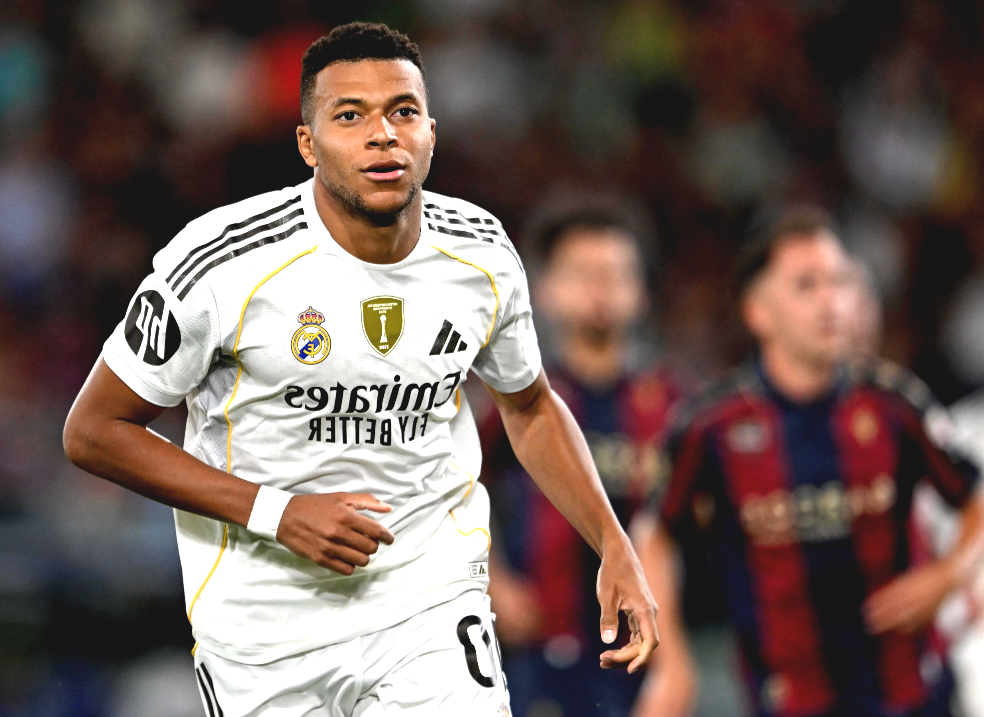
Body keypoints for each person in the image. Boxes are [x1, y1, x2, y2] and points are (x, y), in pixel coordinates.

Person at [61, 22, 658, 717]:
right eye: (350, 116)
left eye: (402, 112)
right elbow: (94, 430)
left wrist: (613, 542)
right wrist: (278, 512)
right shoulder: (223, 263)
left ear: (430, 133)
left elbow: (530, 406)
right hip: (262, 627)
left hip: (428, 602)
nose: (383, 135)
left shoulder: (482, 254)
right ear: (308, 144)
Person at [641, 207, 984, 717]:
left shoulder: (896, 404)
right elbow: (655, 534)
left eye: (839, 281)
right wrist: (671, 661)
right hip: (789, 699)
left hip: (911, 693)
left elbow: (975, 499)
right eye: (806, 285)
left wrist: (948, 575)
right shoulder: (711, 426)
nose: (831, 301)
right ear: (758, 312)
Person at [480, 204, 694, 717]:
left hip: (648, 650)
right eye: (582, 274)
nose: (600, 290)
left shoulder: (675, 406)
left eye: (616, 274)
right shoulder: (513, 400)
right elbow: (454, 484)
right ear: (546, 289)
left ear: (641, 292)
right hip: (538, 648)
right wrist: (493, 579)